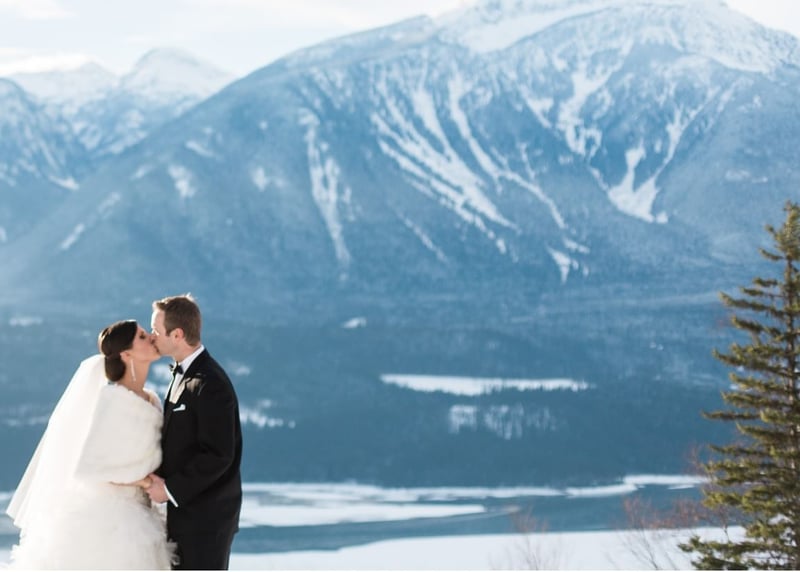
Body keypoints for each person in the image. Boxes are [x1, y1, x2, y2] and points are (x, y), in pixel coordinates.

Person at [6, 320, 175, 570]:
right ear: (126, 354)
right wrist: (147, 483)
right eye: (141, 336)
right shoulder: (111, 401)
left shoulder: (151, 399)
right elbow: (92, 467)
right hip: (112, 521)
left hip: (144, 512)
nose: (151, 337)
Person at [147, 294, 242, 570]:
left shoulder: (211, 383)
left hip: (206, 523)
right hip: (188, 516)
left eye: (156, 331)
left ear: (177, 335)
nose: (152, 337)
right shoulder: (185, 375)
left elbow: (218, 454)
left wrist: (169, 489)